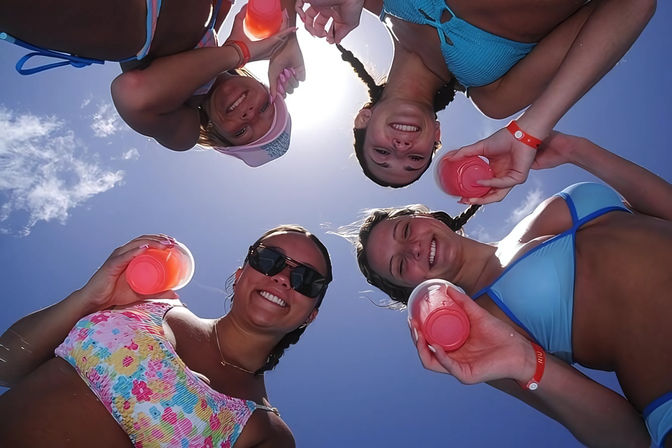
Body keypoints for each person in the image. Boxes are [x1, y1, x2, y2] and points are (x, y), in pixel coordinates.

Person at [354, 132, 672, 446]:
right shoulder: (483, 331)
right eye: (399, 265)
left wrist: (575, 149)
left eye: (406, 230)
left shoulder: (538, 214)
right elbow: (628, 438)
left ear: (426, 217)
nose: (413, 249)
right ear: (410, 290)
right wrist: (525, 362)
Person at [0, 226, 333, 447]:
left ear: (310, 316)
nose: (284, 277)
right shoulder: (150, 297)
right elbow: (5, 365)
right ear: (240, 274)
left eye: (307, 279)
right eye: (269, 259)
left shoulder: (267, 432)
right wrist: (89, 297)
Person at [296, 0, 656, 188]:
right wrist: (530, 130)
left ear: (364, 118)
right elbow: (633, 6)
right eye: (414, 161)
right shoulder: (492, 93)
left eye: (381, 152)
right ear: (436, 138)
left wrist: (286, 31)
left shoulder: (372, 4)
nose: (400, 150)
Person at [0, 0, 306, 166]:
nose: (247, 115)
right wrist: (287, 31)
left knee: (127, 35)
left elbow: (131, 93)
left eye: (242, 131)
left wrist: (236, 53)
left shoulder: (183, 122)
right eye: (265, 108)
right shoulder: (216, 15)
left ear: (217, 134)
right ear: (265, 88)